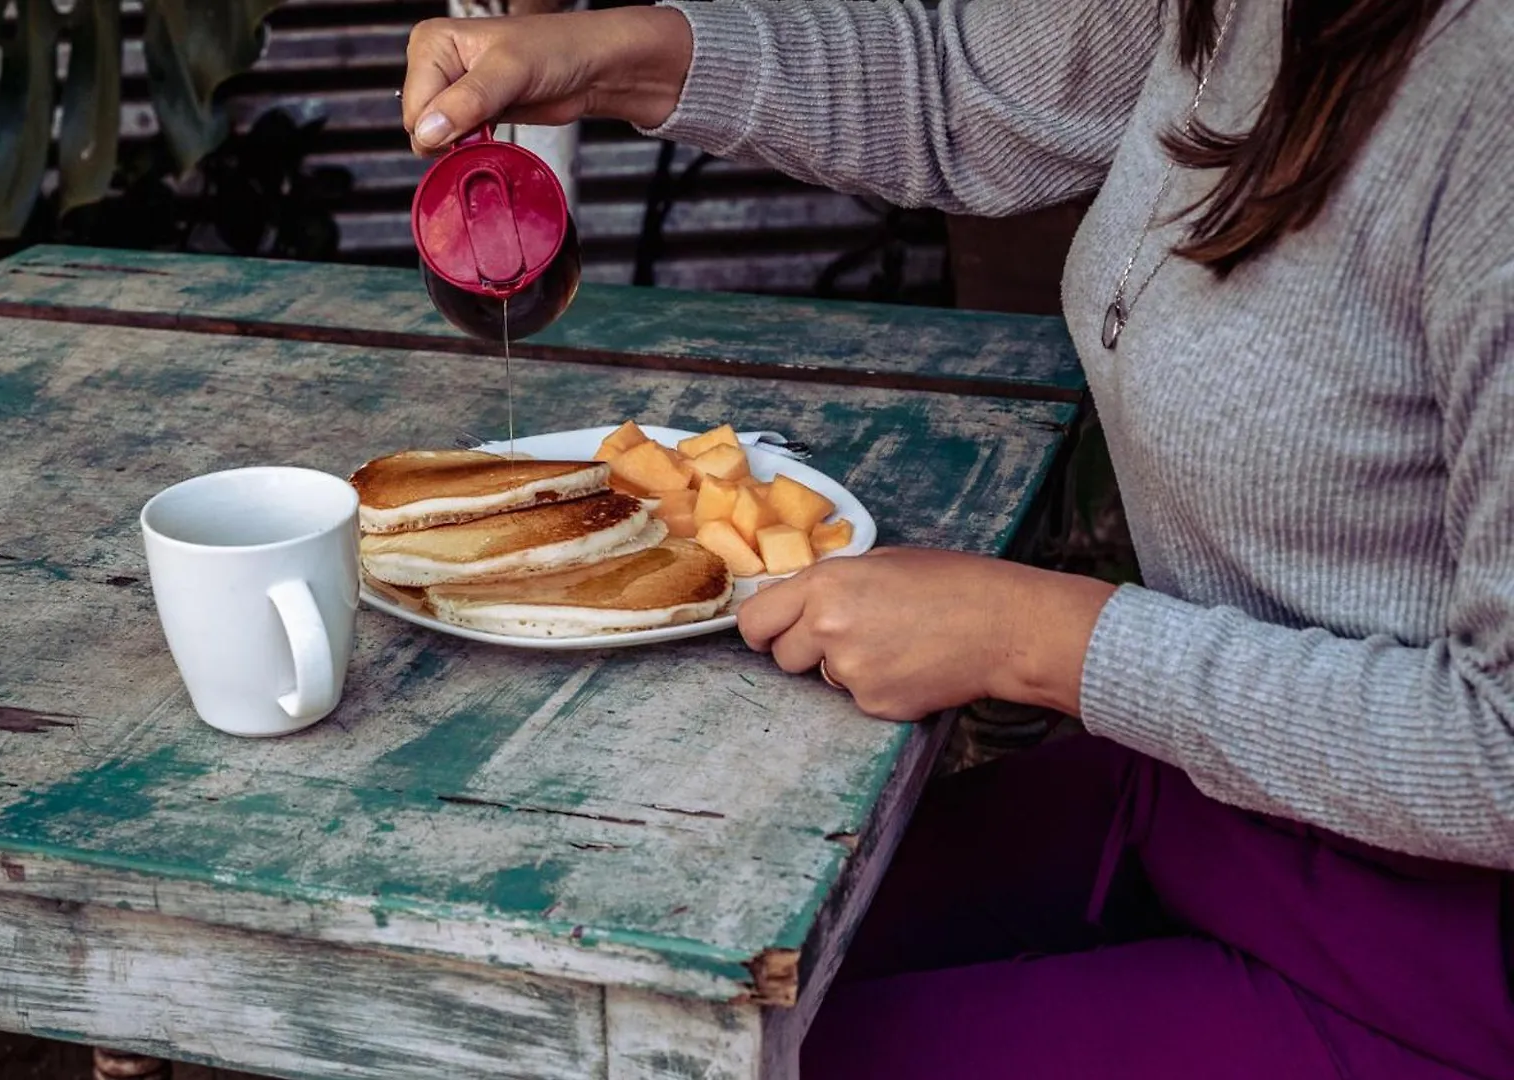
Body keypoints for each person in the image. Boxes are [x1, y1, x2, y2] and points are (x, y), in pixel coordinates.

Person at [404, 1, 1514, 1076]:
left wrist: (1033, 639)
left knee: (734, 1057)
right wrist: (607, 59)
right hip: (1210, 799)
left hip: (1439, 960)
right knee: (645, 966)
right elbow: (971, 89)